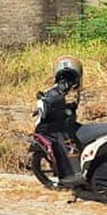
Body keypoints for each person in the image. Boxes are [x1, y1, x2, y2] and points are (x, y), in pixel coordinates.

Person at [34, 55, 84, 184]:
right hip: (65, 122)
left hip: (62, 126)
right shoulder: (69, 88)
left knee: (66, 141)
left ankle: (74, 173)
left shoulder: (61, 88)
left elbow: (51, 99)